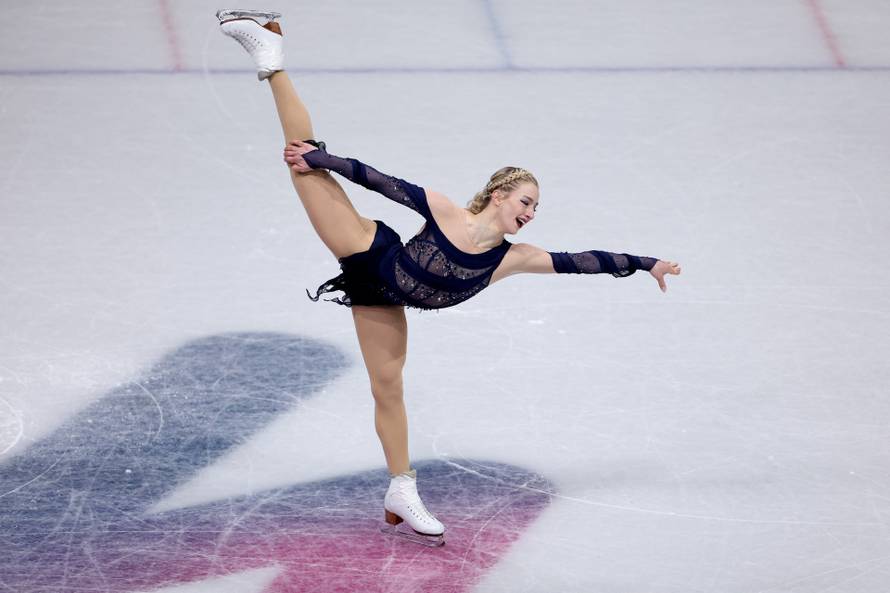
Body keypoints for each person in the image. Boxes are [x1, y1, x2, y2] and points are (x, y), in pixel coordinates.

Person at [216, 9, 681, 547]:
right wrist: (328, 159)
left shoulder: (514, 257)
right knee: (304, 162)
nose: (531, 212)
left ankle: (400, 489)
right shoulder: (446, 212)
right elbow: (384, 183)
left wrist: (647, 264)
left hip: (381, 297)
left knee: (387, 387)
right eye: (525, 201)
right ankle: (271, 59)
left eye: (536, 207)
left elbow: (584, 260)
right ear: (500, 193)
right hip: (369, 253)